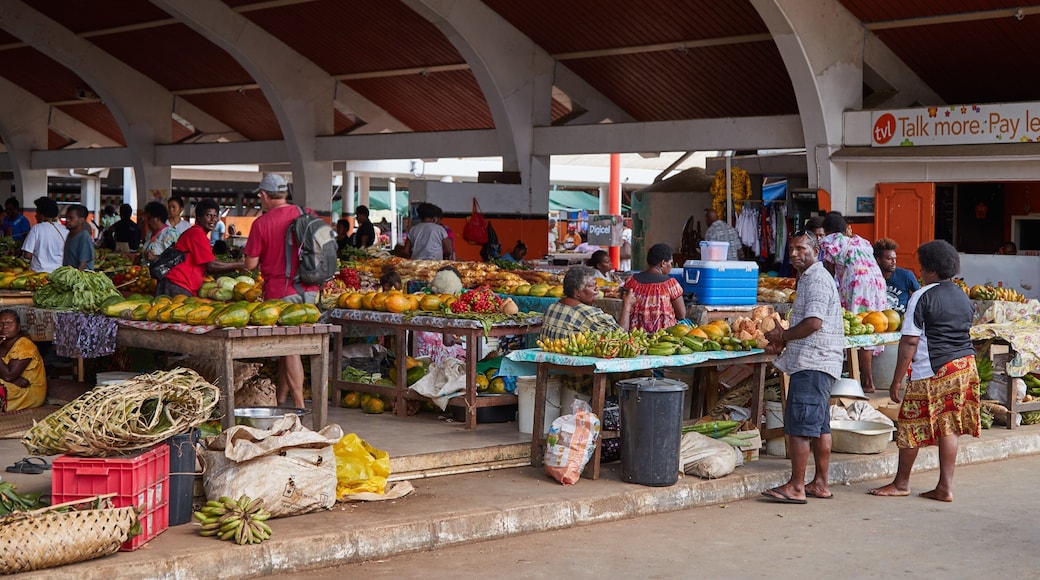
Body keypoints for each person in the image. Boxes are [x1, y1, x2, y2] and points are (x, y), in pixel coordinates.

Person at [869, 240, 981, 503]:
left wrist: (896, 381)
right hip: (964, 365)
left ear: (930, 270)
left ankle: (901, 483)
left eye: (921, 267)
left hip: (934, 369)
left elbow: (909, 341)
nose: (918, 271)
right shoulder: (962, 295)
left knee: (910, 424)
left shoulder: (922, 294)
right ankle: (945, 487)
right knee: (948, 426)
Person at [760, 230, 844, 504]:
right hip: (820, 361)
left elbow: (814, 323)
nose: (795, 253)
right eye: (792, 249)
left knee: (798, 426)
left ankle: (796, 486)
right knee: (819, 427)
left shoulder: (816, 279)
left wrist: (783, 336)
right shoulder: (810, 278)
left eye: (801, 248)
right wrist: (784, 342)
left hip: (813, 362)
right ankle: (820, 483)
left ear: (816, 250)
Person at [243, 173, 319, 409]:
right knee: (289, 347)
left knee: (292, 349)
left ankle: (300, 407)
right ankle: (282, 398)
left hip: (282, 292)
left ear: (264, 195)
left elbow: (251, 265)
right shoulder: (306, 214)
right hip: (311, 289)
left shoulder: (262, 223)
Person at [819, 211, 886, 393]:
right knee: (868, 325)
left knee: (856, 328)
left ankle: (863, 380)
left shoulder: (832, 240)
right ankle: (865, 378)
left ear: (827, 231)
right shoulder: (860, 241)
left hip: (857, 284)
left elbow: (828, 272)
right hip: (877, 284)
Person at [159, 199, 245, 297]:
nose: (213, 219)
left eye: (215, 216)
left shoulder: (199, 234)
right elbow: (211, 265)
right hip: (178, 284)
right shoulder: (197, 234)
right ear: (198, 218)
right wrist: (239, 264)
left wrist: (236, 266)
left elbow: (209, 268)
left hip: (179, 284)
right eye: (208, 215)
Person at [540, 265, 634, 342]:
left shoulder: (553, 307)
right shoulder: (589, 314)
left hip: (552, 363)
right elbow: (621, 338)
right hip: (576, 363)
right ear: (577, 292)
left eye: (596, 284)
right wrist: (627, 305)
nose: (596, 289)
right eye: (591, 286)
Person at [622, 243, 686, 333]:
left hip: (636, 335)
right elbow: (681, 315)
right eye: (671, 263)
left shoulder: (631, 281)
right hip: (663, 337)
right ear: (663, 263)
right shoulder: (670, 284)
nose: (671, 266)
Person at [0, 309, 47, 412]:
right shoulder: (2, 344)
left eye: (9, 323)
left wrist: (11, 378)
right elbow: (10, 377)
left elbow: (8, 375)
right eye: (1, 324)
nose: (4, 327)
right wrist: (14, 379)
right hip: (12, 384)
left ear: (18, 327)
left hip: (28, 392)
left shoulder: (25, 345)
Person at [873, 238, 920, 313]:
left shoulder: (906, 275)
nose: (894, 262)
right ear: (878, 260)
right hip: (877, 319)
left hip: (901, 319)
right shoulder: (871, 277)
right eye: (889, 259)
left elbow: (920, 296)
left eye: (894, 258)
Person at [21, 197, 67, 273]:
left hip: (39, 275)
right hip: (59, 274)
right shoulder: (65, 229)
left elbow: (27, 255)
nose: (35, 216)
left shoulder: (37, 228)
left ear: (43, 214)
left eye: (37, 213)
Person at [62, 204, 94, 270]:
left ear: (81, 220)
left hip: (80, 278)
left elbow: (82, 265)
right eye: (66, 217)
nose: (67, 220)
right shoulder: (70, 235)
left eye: (71, 218)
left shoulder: (84, 237)